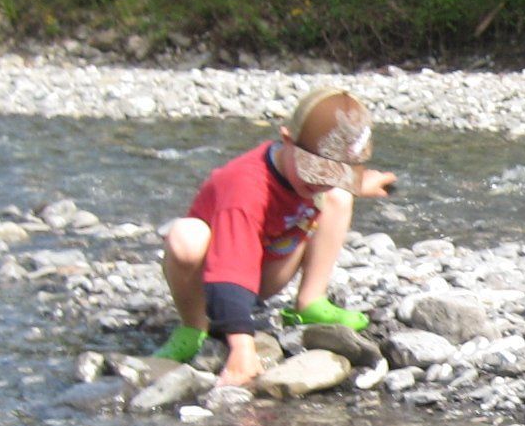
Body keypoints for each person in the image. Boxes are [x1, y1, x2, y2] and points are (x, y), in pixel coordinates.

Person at [154, 85, 398, 388]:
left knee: (339, 197)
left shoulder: (311, 172)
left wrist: (359, 184)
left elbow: (334, 183)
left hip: (268, 268)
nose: (320, 183)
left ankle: (311, 301)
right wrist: (242, 348)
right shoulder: (245, 187)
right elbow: (229, 268)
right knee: (186, 236)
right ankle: (193, 328)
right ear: (287, 139)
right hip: (214, 280)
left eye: (334, 175)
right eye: (315, 173)